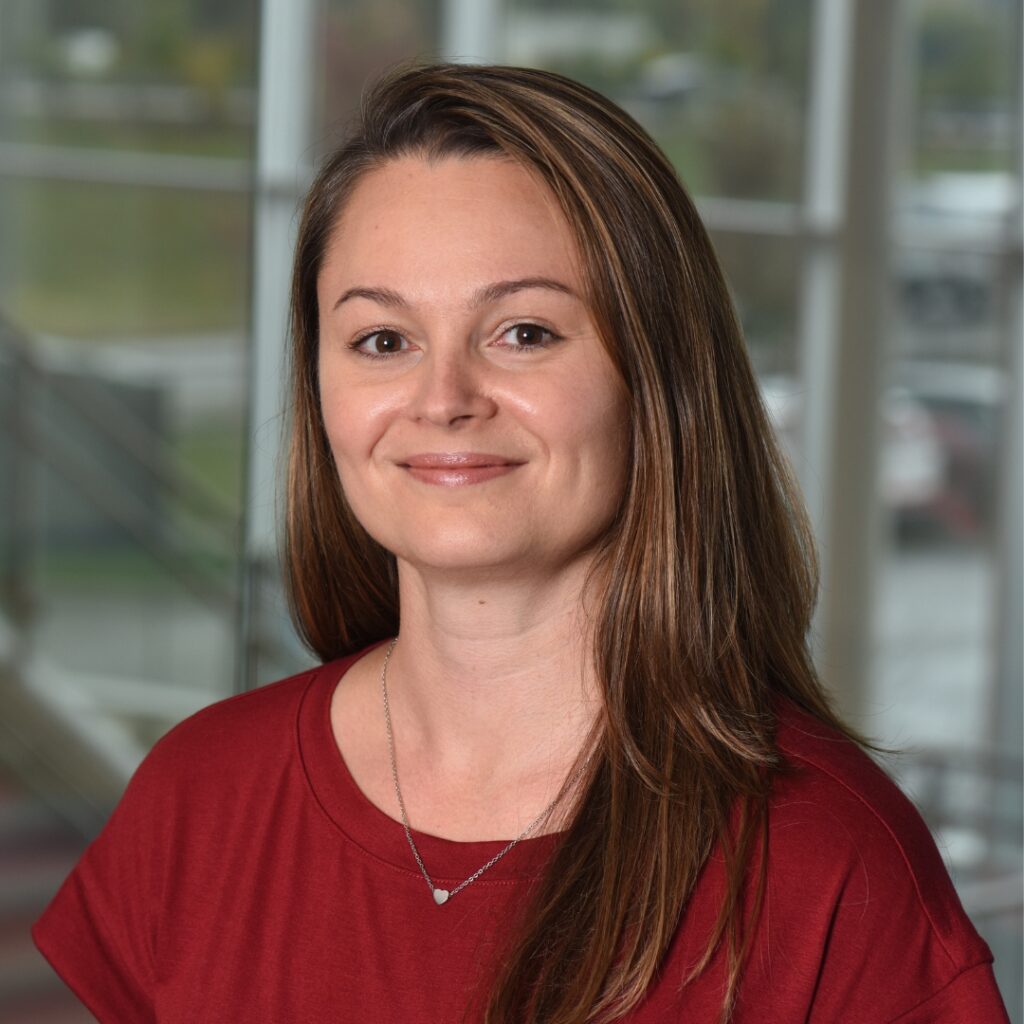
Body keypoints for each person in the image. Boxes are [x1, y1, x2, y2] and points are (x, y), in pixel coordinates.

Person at [33, 62, 1008, 1023]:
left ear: (658, 377)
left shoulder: (824, 864)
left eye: (524, 332)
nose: (443, 398)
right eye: (382, 340)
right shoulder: (200, 799)